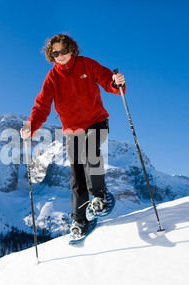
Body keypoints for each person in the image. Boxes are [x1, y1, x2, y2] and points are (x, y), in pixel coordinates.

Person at [20, 34, 125, 236]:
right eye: (55, 53)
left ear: (72, 50)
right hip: (73, 131)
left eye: (64, 51)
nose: (60, 56)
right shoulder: (52, 78)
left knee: (89, 150)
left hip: (97, 122)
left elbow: (106, 80)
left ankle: (99, 196)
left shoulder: (87, 64)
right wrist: (31, 127)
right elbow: (41, 106)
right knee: (76, 175)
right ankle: (80, 221)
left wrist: (115, 83)